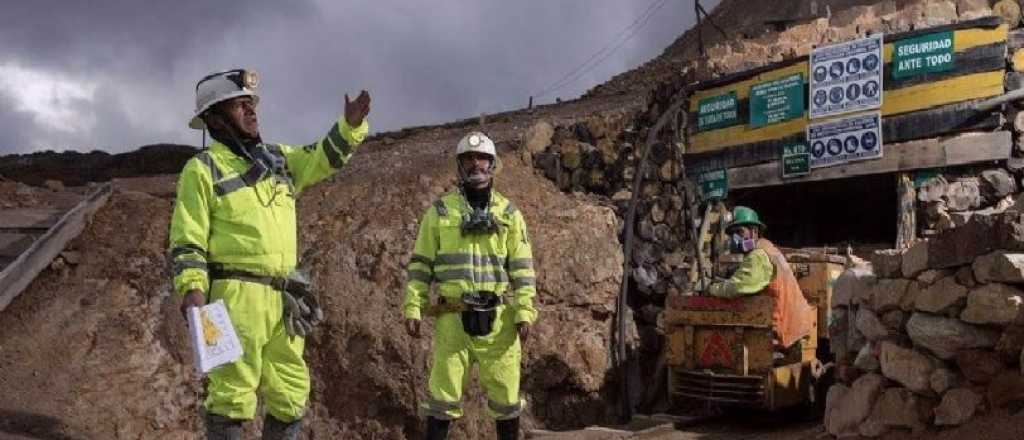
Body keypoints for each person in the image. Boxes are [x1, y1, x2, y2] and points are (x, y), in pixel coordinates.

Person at [168, 68, 370, 440]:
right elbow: (187, 239)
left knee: (291, 393)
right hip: (230, 298)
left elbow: (321, 158)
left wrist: (349, 126)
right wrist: (193, 289)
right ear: (215, 119)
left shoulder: (280, 160)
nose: (251, 111)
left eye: (251, 104)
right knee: (230, 395)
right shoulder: (202, 169)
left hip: (285, 299)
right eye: (238, 105)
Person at [402, 132, 537, 440]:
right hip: (453, 320)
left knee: (506, 401)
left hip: (499, 322)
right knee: (442, 400)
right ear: (459, 166)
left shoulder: (509, 215)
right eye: (468, 159)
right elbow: (421, 264)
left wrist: (525, 312)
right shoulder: (439, 212)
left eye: (482, 159)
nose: (476, 164)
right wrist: (413, 305)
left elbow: (522, 269)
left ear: (493, 164)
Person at [707, 206, 814, 350]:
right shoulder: (768, 249)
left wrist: (712, 289)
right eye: (732, 234)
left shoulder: (758, 256)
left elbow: (738, 287)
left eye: (739, 232)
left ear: (754, 232)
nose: (734, 238)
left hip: (782, 328)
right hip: (794, 324)